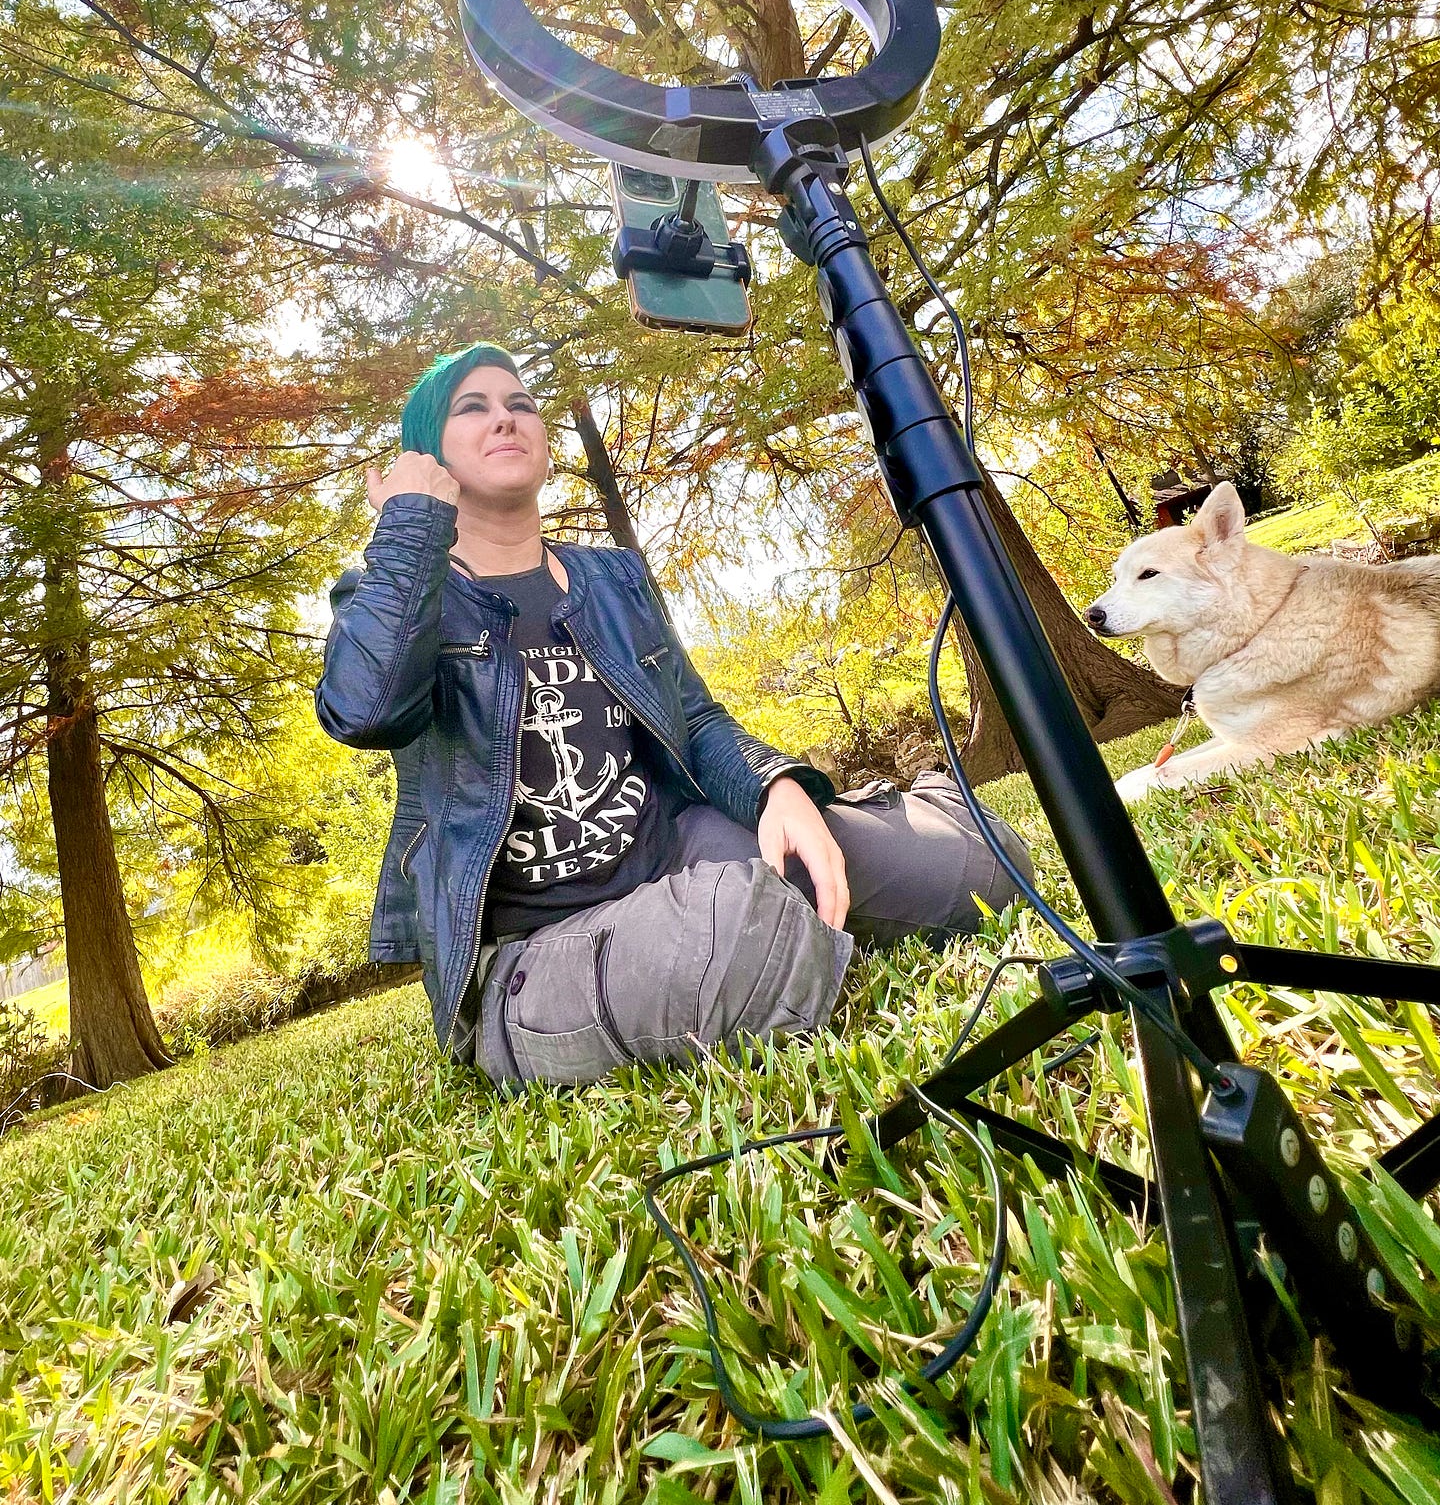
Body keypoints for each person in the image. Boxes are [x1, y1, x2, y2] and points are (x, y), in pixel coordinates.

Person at [316, 342, 1034, 1087]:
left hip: (672, 853)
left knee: (982, 865)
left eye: (519, 404)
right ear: (428, 456)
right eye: (474, 409)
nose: (505, 418)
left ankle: (872, 847)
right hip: (530, 951)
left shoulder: (609, 576)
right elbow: (366, 712)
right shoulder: (395, 594)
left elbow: (693, 717)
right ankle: (760, 923)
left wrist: (773, 787)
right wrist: (409, 524)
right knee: (740, 932)